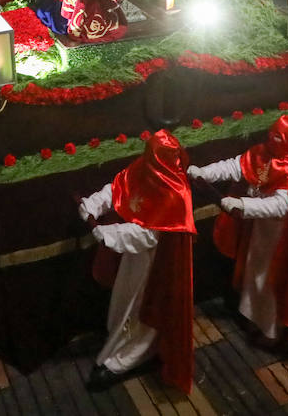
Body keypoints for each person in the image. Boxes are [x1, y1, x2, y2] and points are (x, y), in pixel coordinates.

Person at [189, 116, 288, 352]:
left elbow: (280, 206)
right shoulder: (263, 153)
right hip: (260, 231)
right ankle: (253, 315)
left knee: (273, 281)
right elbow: (236, 166)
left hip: (284, 236)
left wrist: (243, 206)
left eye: (279, 137)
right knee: (254, 272)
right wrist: (205, 172)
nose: (272, 140)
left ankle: (272, 330)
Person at [78, 130, 196, 393]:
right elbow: (120, 187)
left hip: (154, 267)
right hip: (133, 260)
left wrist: (108, 234)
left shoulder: (175, 194)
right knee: (123, 304)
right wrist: (94, 204)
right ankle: (117, 346)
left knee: (140, 312)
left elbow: (149, 235)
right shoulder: (147, 169)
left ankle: (125, 359)